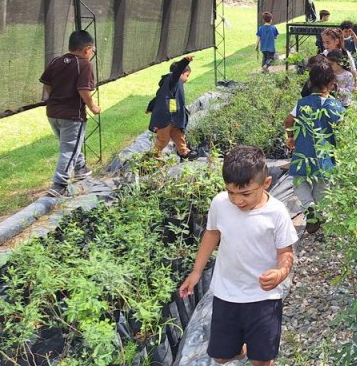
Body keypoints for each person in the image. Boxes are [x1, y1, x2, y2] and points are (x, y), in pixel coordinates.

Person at [178, 145, 297, 366]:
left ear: (266, 184)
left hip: (263, 298)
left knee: (261, 360)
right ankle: (242, 349)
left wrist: (280, 273)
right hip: (227, 293)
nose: (237, 200)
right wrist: (196, 273)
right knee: (221, 356)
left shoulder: (277, 212)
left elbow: (286, 252)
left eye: (245, 193)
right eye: (231, 192)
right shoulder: (220, 204)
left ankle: (256, 352)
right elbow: (211, 234)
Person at [283, 62, 344, 234]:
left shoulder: (303, 103)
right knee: (322, 185)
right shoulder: (333, 105)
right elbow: (343, 125)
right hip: (325, 152)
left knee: (299, 181)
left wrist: (291, 137)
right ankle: (320, 214)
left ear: (310, 83)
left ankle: (309, 207)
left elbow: (288, 121)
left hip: (303, 151)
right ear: (331, 83)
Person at [39, 30, 101, 197]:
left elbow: (47, 83)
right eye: (92, 50)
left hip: (52, 113)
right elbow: (83, 90)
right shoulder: (85, 64)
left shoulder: (56, 61)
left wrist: (56, 97)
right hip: (72, 115)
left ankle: (80, 168)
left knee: (70, 145)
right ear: (87, 49)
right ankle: (59, 184)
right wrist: (93, 106)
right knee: (69, 148)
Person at [146, 55, 197, 160]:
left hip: (173, 115)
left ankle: (184, 152)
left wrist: (150, 107)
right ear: (181, 73)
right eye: (187, 75)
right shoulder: (173, 79)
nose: (187, 79)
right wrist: (185, 61)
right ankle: (150, 159)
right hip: (165, 117)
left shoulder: (172, 85)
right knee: (163, 139)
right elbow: (177, 72)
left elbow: (160, 97)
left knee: (178, 133)